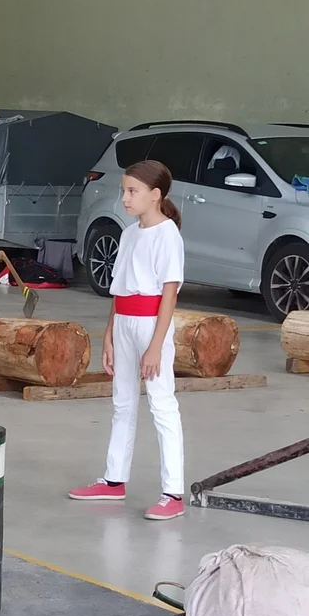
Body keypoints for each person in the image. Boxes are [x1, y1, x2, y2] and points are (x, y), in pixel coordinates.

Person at [67, 159, 186, 521]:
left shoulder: (167, 235)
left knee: (162, 404)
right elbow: (119, 290)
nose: (125, 198)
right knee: (122, 403)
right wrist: (109, 336)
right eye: (124, 191)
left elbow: (169, 295)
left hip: (151, 324)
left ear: (156, 194)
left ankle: (173, 492)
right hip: (124, 322)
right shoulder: (130, 233)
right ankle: (114, 479)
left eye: (133, 191)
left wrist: (155, 345)